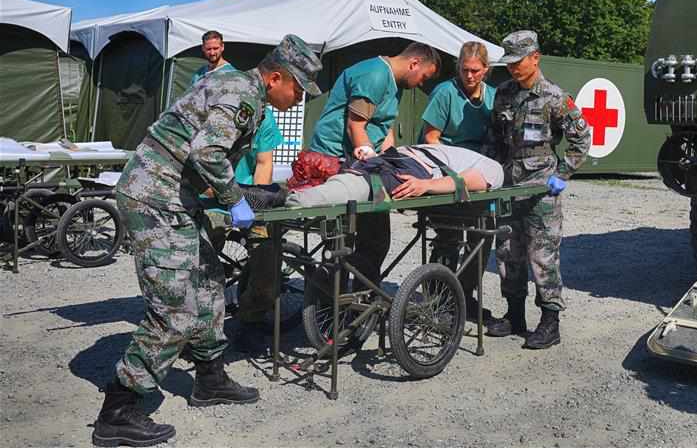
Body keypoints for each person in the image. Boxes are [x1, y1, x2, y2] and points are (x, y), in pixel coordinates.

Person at [91, 35, 322, 448]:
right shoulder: (242, 95)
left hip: (174, 198)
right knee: (175, 305)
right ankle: (119, 409)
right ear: (275, 78)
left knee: (209, 281)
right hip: (153, 197)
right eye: (298, 89)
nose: (299, 97)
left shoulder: (241, 89)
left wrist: (238, 195)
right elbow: (208, 153)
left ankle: (210, 379)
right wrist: (238, 202)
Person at [484, 30, 590, 350]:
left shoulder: (554, 97)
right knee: (507, 253)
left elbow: (581, 138)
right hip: (507, 187)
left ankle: (549, 322)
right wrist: (489, 176)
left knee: (542, 256)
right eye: (509, 63)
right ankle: (514, 316)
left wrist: (563, 174)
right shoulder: (503, 93)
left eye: (518, 62)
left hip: (541, 190)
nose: (513, 68)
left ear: (535, 57)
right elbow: (493, 138)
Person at [307, 42, 441, 287]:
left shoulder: (394, 82)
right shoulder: (374, 75)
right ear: (414, 64)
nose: (421, 83)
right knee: (339, 242)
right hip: (337, 159)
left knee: (376, 238)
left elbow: (385, 127)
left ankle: (362, 301)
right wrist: (378, 169)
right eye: (423, 76)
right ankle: (328, 310)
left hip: (361, 161)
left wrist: (394, 162)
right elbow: (355, 127)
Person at [189, 31, 287, 355]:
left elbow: (263, 164)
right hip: (209, 194)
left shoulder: (263, 115)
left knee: (266, 252)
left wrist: (251, 207)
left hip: (244, 194)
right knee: (200, 254)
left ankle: (252, 319)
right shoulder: (206, 109)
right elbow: (202, 160)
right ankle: (196, 329)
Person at [420, 41, 497, 321]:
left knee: (482, 236)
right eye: (465, 70)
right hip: (447, 170)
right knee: (448, 237)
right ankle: (438, 299)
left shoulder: (493, 97)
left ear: (486, 70)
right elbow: (431, 137)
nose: (470, 76)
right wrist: (453, 171)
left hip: (481, 173)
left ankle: (464, 297)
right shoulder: (445, 93)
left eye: (476, 70)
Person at [285, 143, 503, 208]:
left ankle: (288, 197)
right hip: (402, 162)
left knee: (364, 181)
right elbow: (467, 180)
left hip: (410, 168)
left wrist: (425, 185)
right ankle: (287, 196)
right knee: (360, 177)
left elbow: (469, 181)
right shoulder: (488, 163)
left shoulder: (493, 167)